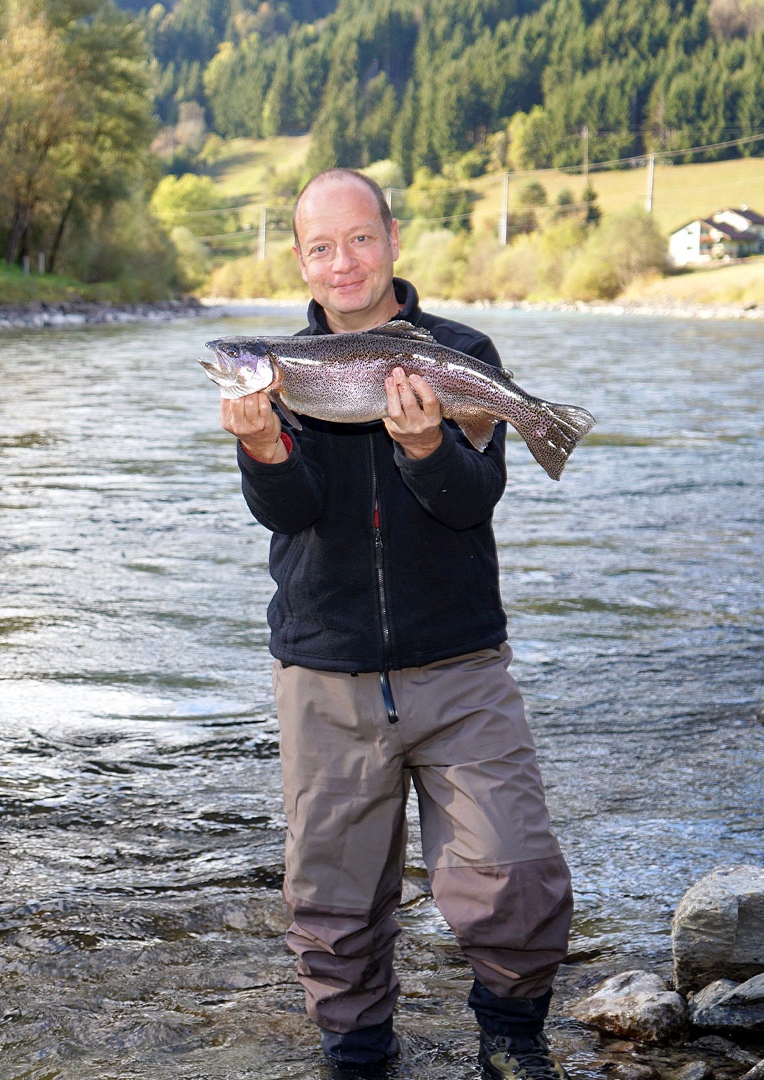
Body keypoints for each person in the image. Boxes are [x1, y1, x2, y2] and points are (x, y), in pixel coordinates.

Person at [219, 168, 573, 1080]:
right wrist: (262, 449)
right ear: (301, 259)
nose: (344, 262)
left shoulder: (457, 350)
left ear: (393, 239)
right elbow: (288, 511)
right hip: (323, 670)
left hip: (458, 660)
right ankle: (359, 1058)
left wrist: (425, 445)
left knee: (514, 871)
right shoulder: (285, 374)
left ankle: (512, 1041)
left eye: (360, 239)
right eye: (322, 247)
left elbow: (471, 501)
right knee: (333, 898)